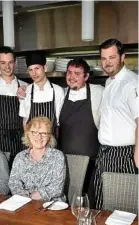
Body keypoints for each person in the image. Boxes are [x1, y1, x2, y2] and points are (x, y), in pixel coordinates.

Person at [94, 38, 138, 209]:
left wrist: (137, 155)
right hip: (105, 153)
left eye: (112, 57)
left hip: (124, 155)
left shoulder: (132, 82)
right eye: (104, 59)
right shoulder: (109, 81)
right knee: (101, 202)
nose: (107, 63)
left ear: (122, 57)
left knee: (122, 207)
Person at [59, 58, 104, 207]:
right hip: (66, 163)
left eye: (77, 74)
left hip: (91, 162)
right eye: (69, 73)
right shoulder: (61, 94)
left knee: (89, 202)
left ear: (86, 77)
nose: (72, 77)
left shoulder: (99, 92)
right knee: (66, 202)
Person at [8, 116, 66, 201]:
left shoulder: (58, 156)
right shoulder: (20, 157)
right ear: (28, 134)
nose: (39, 137)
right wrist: (26, 197)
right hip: (25, 203)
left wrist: (36, 196)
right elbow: (13, 183)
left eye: (43, 133)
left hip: (52, 205)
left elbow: (56, 188)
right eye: (34, 132)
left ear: (49, 136)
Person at [0, 46, 27, 165]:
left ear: (15, 63)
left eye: (10, 62)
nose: (7, 67)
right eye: (3, 63)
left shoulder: (26, 87)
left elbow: (27, 119)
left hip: (21, 141)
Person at [19, 51, 64, 136]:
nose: (34, 73)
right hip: (32, 144)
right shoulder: (25, 92)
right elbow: (25, 122)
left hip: (52, 143)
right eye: (30, 70)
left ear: (45, 68)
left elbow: (59, 123)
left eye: (37, 68)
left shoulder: (58, 91)